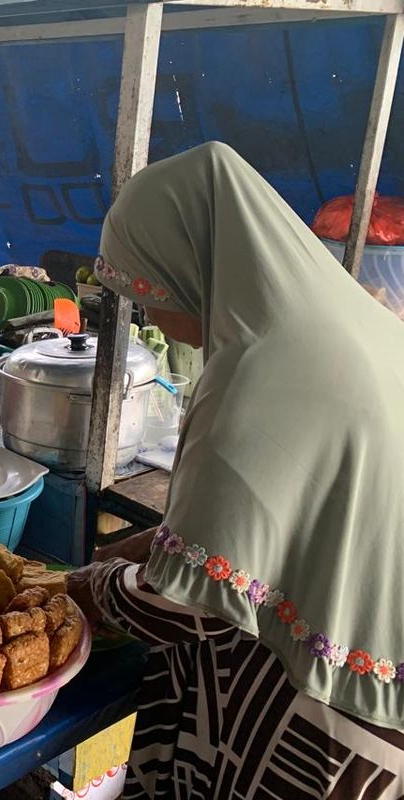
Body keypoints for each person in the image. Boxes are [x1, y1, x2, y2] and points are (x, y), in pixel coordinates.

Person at [68, 142, 404, 798]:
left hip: (321, 718)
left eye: (143, 287)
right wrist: (149, 547)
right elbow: (274, 521)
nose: (148, 312)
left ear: (186, 263)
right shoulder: (352, 319)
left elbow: (191, 606)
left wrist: (86, 588)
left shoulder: (259, 370)